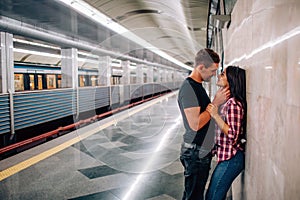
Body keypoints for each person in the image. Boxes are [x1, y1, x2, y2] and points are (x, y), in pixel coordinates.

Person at [177, 48, 230, 200]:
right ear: (201, 67)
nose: (214, 74)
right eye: (212, 71)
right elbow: (195, 124)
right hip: (195, 151)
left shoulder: (197, 86)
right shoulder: (189, 89)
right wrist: (215, 103)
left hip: (200, 150)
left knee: (193, 194)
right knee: (194, 196)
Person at [205, 66, 247, 200]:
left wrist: (215, 115)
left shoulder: (233, 104)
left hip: (232, 158)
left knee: (214, 196)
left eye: (222, 74)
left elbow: (233, 135)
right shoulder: (227, 102)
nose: (218, 76)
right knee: (213, 194)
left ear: (231, 80)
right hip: (226, 156)